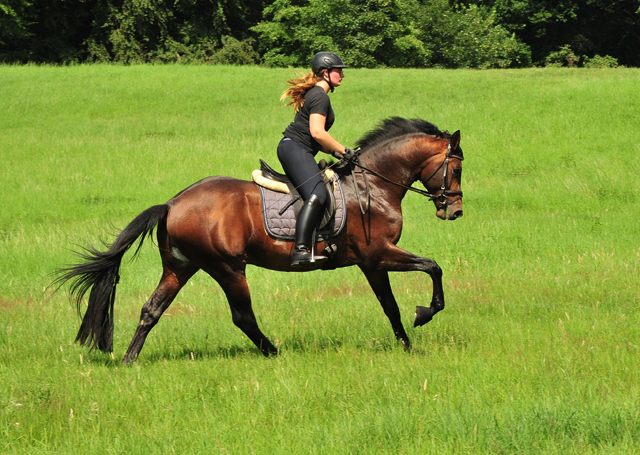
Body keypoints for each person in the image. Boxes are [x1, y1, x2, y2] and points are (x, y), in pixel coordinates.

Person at [278, 51, 355, 268]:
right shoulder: (320, 96)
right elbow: (317, 133)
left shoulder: (316, 94)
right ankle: (301, 250)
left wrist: (336, 153)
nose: (342, 75)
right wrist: (345, 149)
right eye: (338, 70)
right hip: (295, 148)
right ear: (325, 72)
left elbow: (317, 139)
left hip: (296, 148)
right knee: (317, 193)